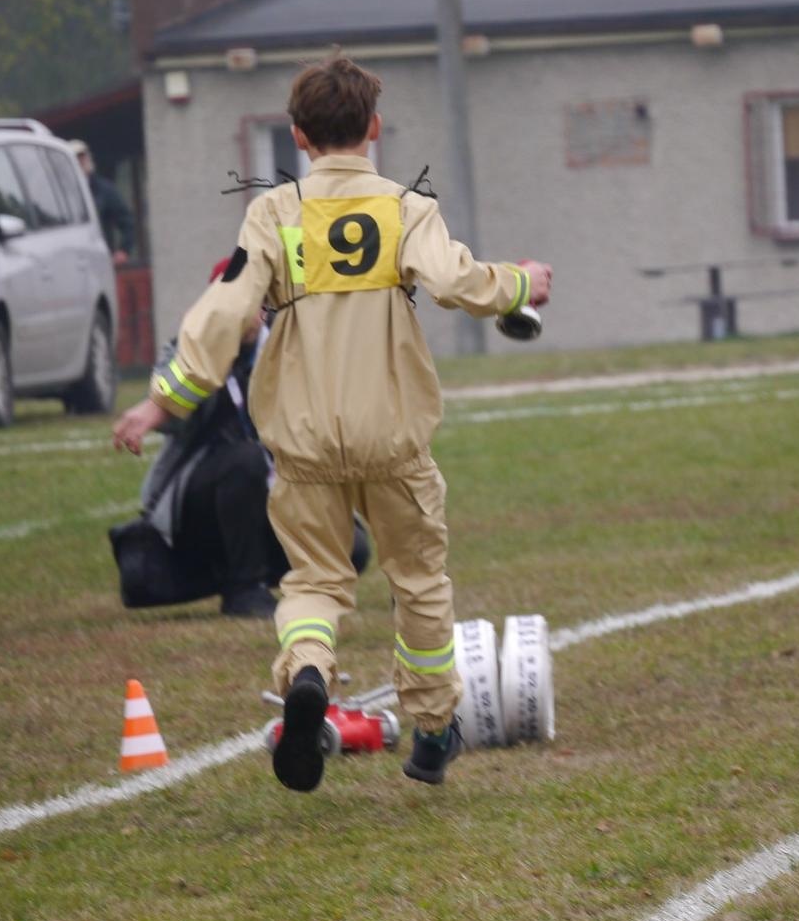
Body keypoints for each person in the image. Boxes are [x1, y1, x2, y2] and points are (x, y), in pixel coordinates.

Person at [111, 52, 552, 794]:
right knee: (418, 582)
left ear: (298, 137)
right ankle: (435, 729)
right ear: (374, 129)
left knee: (313, 581)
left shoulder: (273, 212)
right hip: (392, 439)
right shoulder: (406, 208)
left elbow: (224, 311)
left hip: (304, 441)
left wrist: (167, 398)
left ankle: (308, 675)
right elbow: (452, 281)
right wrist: (517, 286)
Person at [121, 266, 372, 620]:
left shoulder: (291, 349)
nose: (236, 314)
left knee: (353, 548)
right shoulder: (192, 351)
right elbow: (171, 410)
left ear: (263, 305)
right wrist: (201, 357)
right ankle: (244, 588)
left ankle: (297, 586)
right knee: (245, 461)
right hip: (201, 501)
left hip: (278, 490)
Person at [69, 140, 136, 265]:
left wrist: (124, 250)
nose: (80, 162)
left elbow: (127, 221)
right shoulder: (61, 192)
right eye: (75, 158)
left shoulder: (104, 190)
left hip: (100, 260)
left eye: (82, 157)